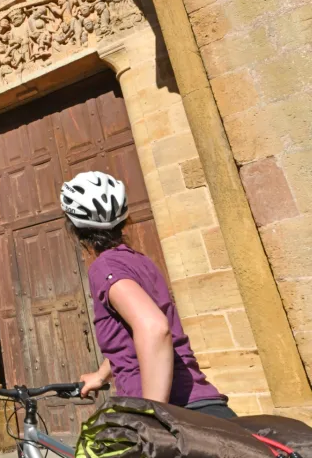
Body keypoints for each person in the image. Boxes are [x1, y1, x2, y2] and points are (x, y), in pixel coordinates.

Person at [61, 171, 235, 419]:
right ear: (125, 219)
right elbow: (135, 334)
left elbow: (153, 328)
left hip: (174, 412)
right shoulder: (139, 261)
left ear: (73, 228)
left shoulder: (104, 267)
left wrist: (153, 417)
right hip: (202, 401)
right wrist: (101, 375)